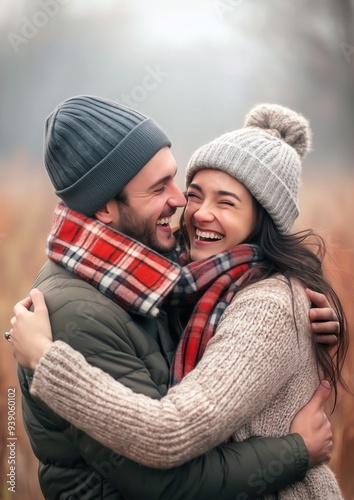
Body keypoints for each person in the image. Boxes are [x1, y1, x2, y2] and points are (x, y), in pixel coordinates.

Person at [10, 97, 340, 500]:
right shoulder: (167, 286)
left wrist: (45, 360)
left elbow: (173, 431)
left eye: (226, 201)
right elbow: (167, 456)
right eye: (189, 191)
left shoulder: (252, 300)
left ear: (263, 216)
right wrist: (296, 449)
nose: (187, 205)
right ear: (105, 207)